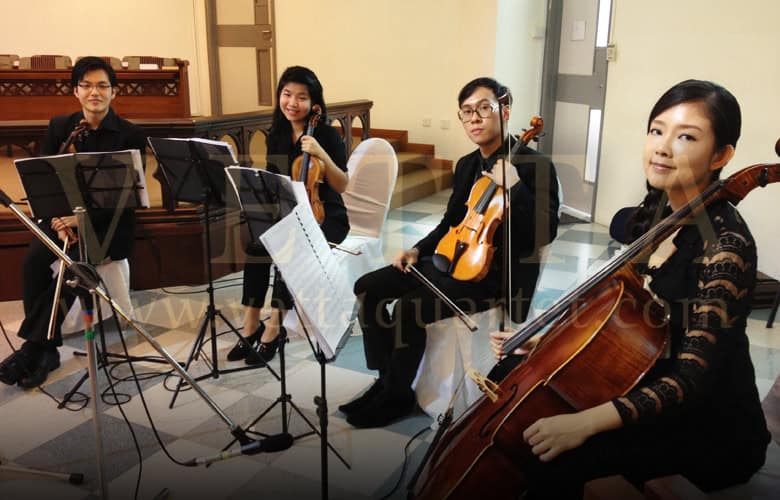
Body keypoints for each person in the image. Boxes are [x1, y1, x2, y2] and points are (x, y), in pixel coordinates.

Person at [488, 79, 770, 498]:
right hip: (649, 375)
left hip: (708, 425)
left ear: (721, 156)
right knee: (510, 374)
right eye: (656, 130)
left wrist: (584, 423)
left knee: (552, 457)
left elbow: (691, 380)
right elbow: (621, 314)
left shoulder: (725, 246)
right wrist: (550, 342)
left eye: (686, 137)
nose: (662, 147)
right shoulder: (659, 212)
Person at [341, 77, 560, 428]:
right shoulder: (467, 164)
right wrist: (417, 250)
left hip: (494, 276)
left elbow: (545, 231)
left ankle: (397, 397)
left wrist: (515, 185)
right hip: (451, 260)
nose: (475, 118)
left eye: (484, 108)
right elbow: (450, 222)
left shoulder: (536, 166)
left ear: (504, 112)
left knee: (410, 307)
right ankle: (385, 380)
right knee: (368, 287)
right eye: (467, 112)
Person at [0, 56, 146, 389]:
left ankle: (35, 348)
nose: (95, 92)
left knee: (73, 270)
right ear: (76, 91)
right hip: (60, 219)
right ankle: (47, 349)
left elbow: (125, 198)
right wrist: (56, 219)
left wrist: (81, 220)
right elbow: (44, 180)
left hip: (106, 225)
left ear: (114, 92)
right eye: (87, 85)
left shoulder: (130, 134)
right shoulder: (61, 127)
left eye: (102, 86)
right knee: (33, 261)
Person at [227, 66, 349, 366]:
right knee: (256, 246)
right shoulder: (277, 135)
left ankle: (273, 329)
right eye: (287, 94)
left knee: (291, 251)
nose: (292, 103)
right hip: (288, 211)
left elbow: (342, 184)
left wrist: (320, 152)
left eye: (302, 97)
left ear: (314, 101)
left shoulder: (326, 134)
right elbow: (274, 179)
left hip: (325, 215)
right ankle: (251, 326)